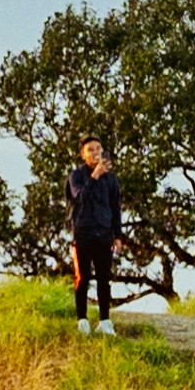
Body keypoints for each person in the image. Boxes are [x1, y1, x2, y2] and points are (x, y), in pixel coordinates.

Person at [69, 139, 127, 326]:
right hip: (83, 233)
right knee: (83, 277)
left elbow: (115, 207)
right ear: (83, 154)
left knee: (104, 278)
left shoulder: (111, 179)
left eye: (98, 149)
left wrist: (117, 235)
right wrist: (94, 175)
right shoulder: (76, 176)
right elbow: (80, 197)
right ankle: (82, 320)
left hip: (104, 233)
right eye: (90, 150)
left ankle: (105, 321)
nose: (95, 152)